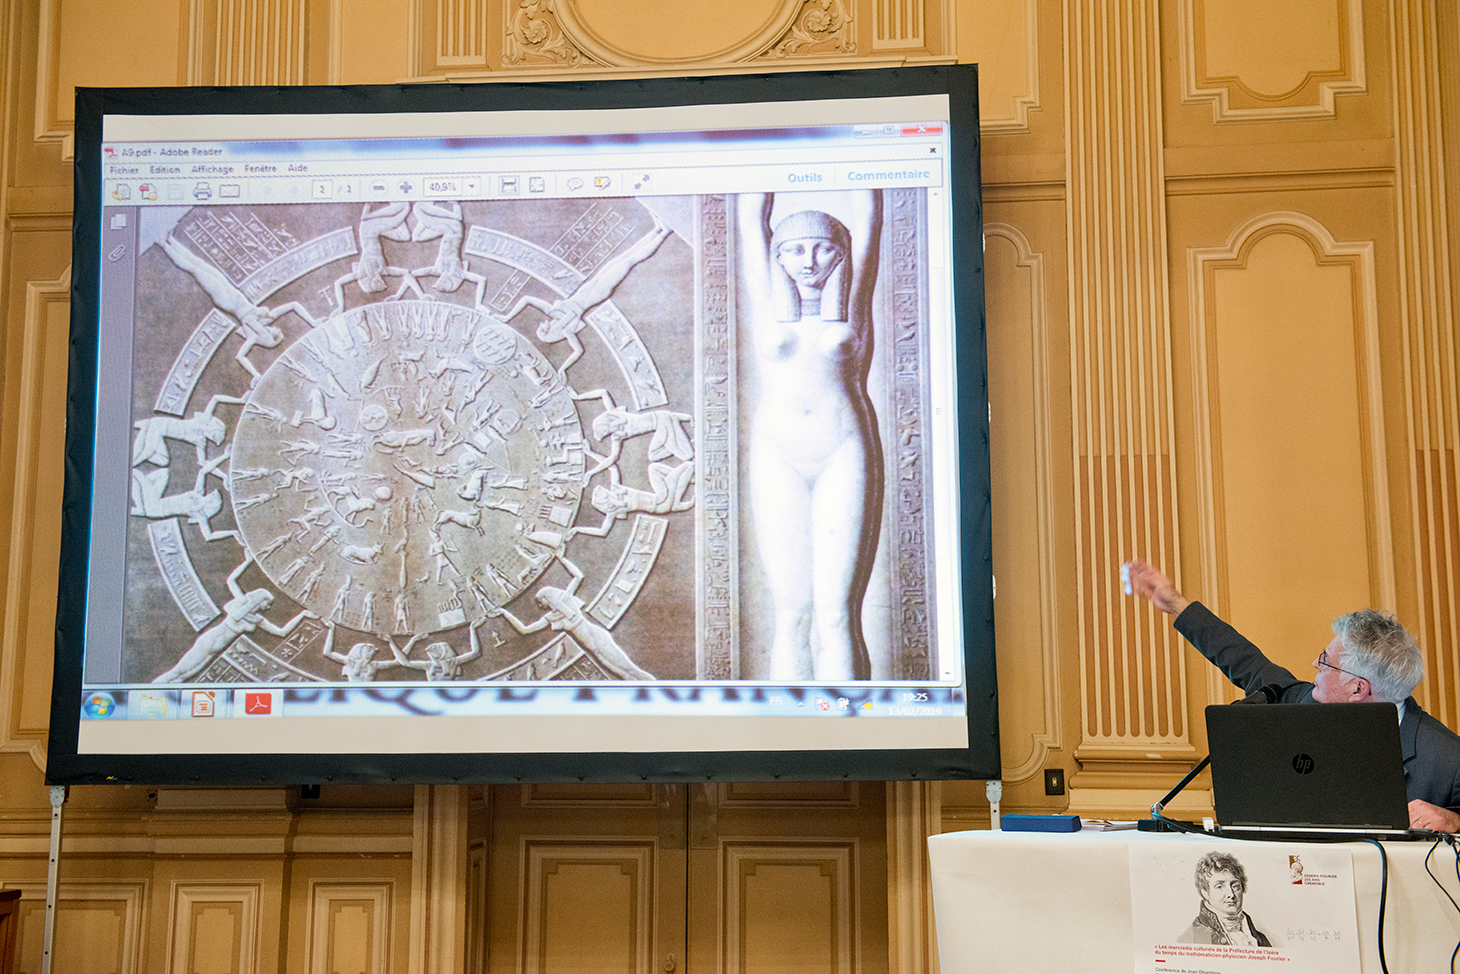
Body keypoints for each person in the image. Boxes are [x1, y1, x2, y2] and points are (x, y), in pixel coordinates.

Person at [1123, 558, 1460, 832]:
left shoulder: (1447, 760)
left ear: (1358, 689)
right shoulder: (1301, 703)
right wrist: (1176, 605)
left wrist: (1455, 821)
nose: (1314, 663)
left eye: (1326, 662)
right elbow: (1244, 661)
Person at [737, 191, 883, 681]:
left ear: (839, 253)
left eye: (822, 248)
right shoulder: (767, 306)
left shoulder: (851, 306)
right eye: (795, 249)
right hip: (777, 452)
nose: (809, 261)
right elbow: (749, 214)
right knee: (792, 613)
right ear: (776, 256)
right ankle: (791, 734)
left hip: (841, 447)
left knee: (836, 614)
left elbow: (867, 214)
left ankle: (848, 740)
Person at [1178, 852, 1272, 946]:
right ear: (1205, 893)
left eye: (1235, 886)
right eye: (1219, 886)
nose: (1231, 894)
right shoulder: (1191, 938)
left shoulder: (1260, 939)